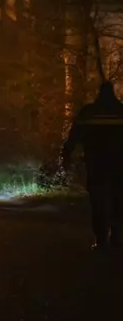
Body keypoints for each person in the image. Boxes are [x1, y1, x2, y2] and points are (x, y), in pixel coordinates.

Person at [61, 81, 123, 251]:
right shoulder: (121, 111)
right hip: (119, 164)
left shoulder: (89, 112)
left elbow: (74, 136)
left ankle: (101, 239)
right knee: (118, 200)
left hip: (96, 163)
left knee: (98, 201)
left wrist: (66, 154)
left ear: (98, 93)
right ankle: (117, 237)